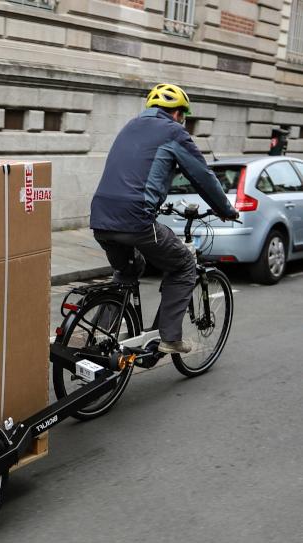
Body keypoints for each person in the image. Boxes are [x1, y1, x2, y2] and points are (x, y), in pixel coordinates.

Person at [89, 83, 238, 354]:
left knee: (128, 271)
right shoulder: (174, 132)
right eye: (183, 117)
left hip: (100, 216)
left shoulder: (129, 127)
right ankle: (169, 338)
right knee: (183, 265)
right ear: (179, 114)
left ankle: (101, 339)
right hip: (135, 219)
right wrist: (226, 209)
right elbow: (202, 176)